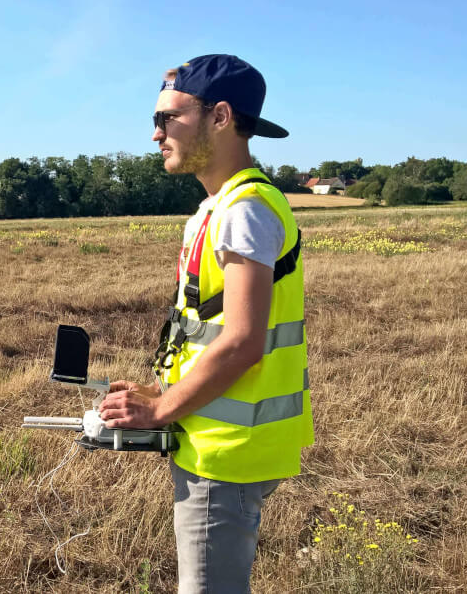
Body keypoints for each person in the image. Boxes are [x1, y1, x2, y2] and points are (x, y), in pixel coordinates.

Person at [96, 54, 314, 593]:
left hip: (227, 453)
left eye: (168, 118)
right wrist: (159, 389)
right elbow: (212, 330)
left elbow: (243, 342)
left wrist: (161, 408)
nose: (155, 135)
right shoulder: (219, 207)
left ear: (219, 117)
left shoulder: (245, 208)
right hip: (214, 436)